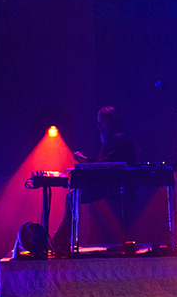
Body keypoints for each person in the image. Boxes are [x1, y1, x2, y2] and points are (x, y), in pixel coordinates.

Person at [52, 106, 138, 251]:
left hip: (117, 186)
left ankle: (61, 238)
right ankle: (62, 238)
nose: (99, 126)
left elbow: (108, 165)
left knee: (73, 197)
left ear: (111, 121)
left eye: (102, 122)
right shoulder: (113, 138)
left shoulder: (119, 138)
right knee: (73, 197)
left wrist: (85, 161)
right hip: (112, 184)